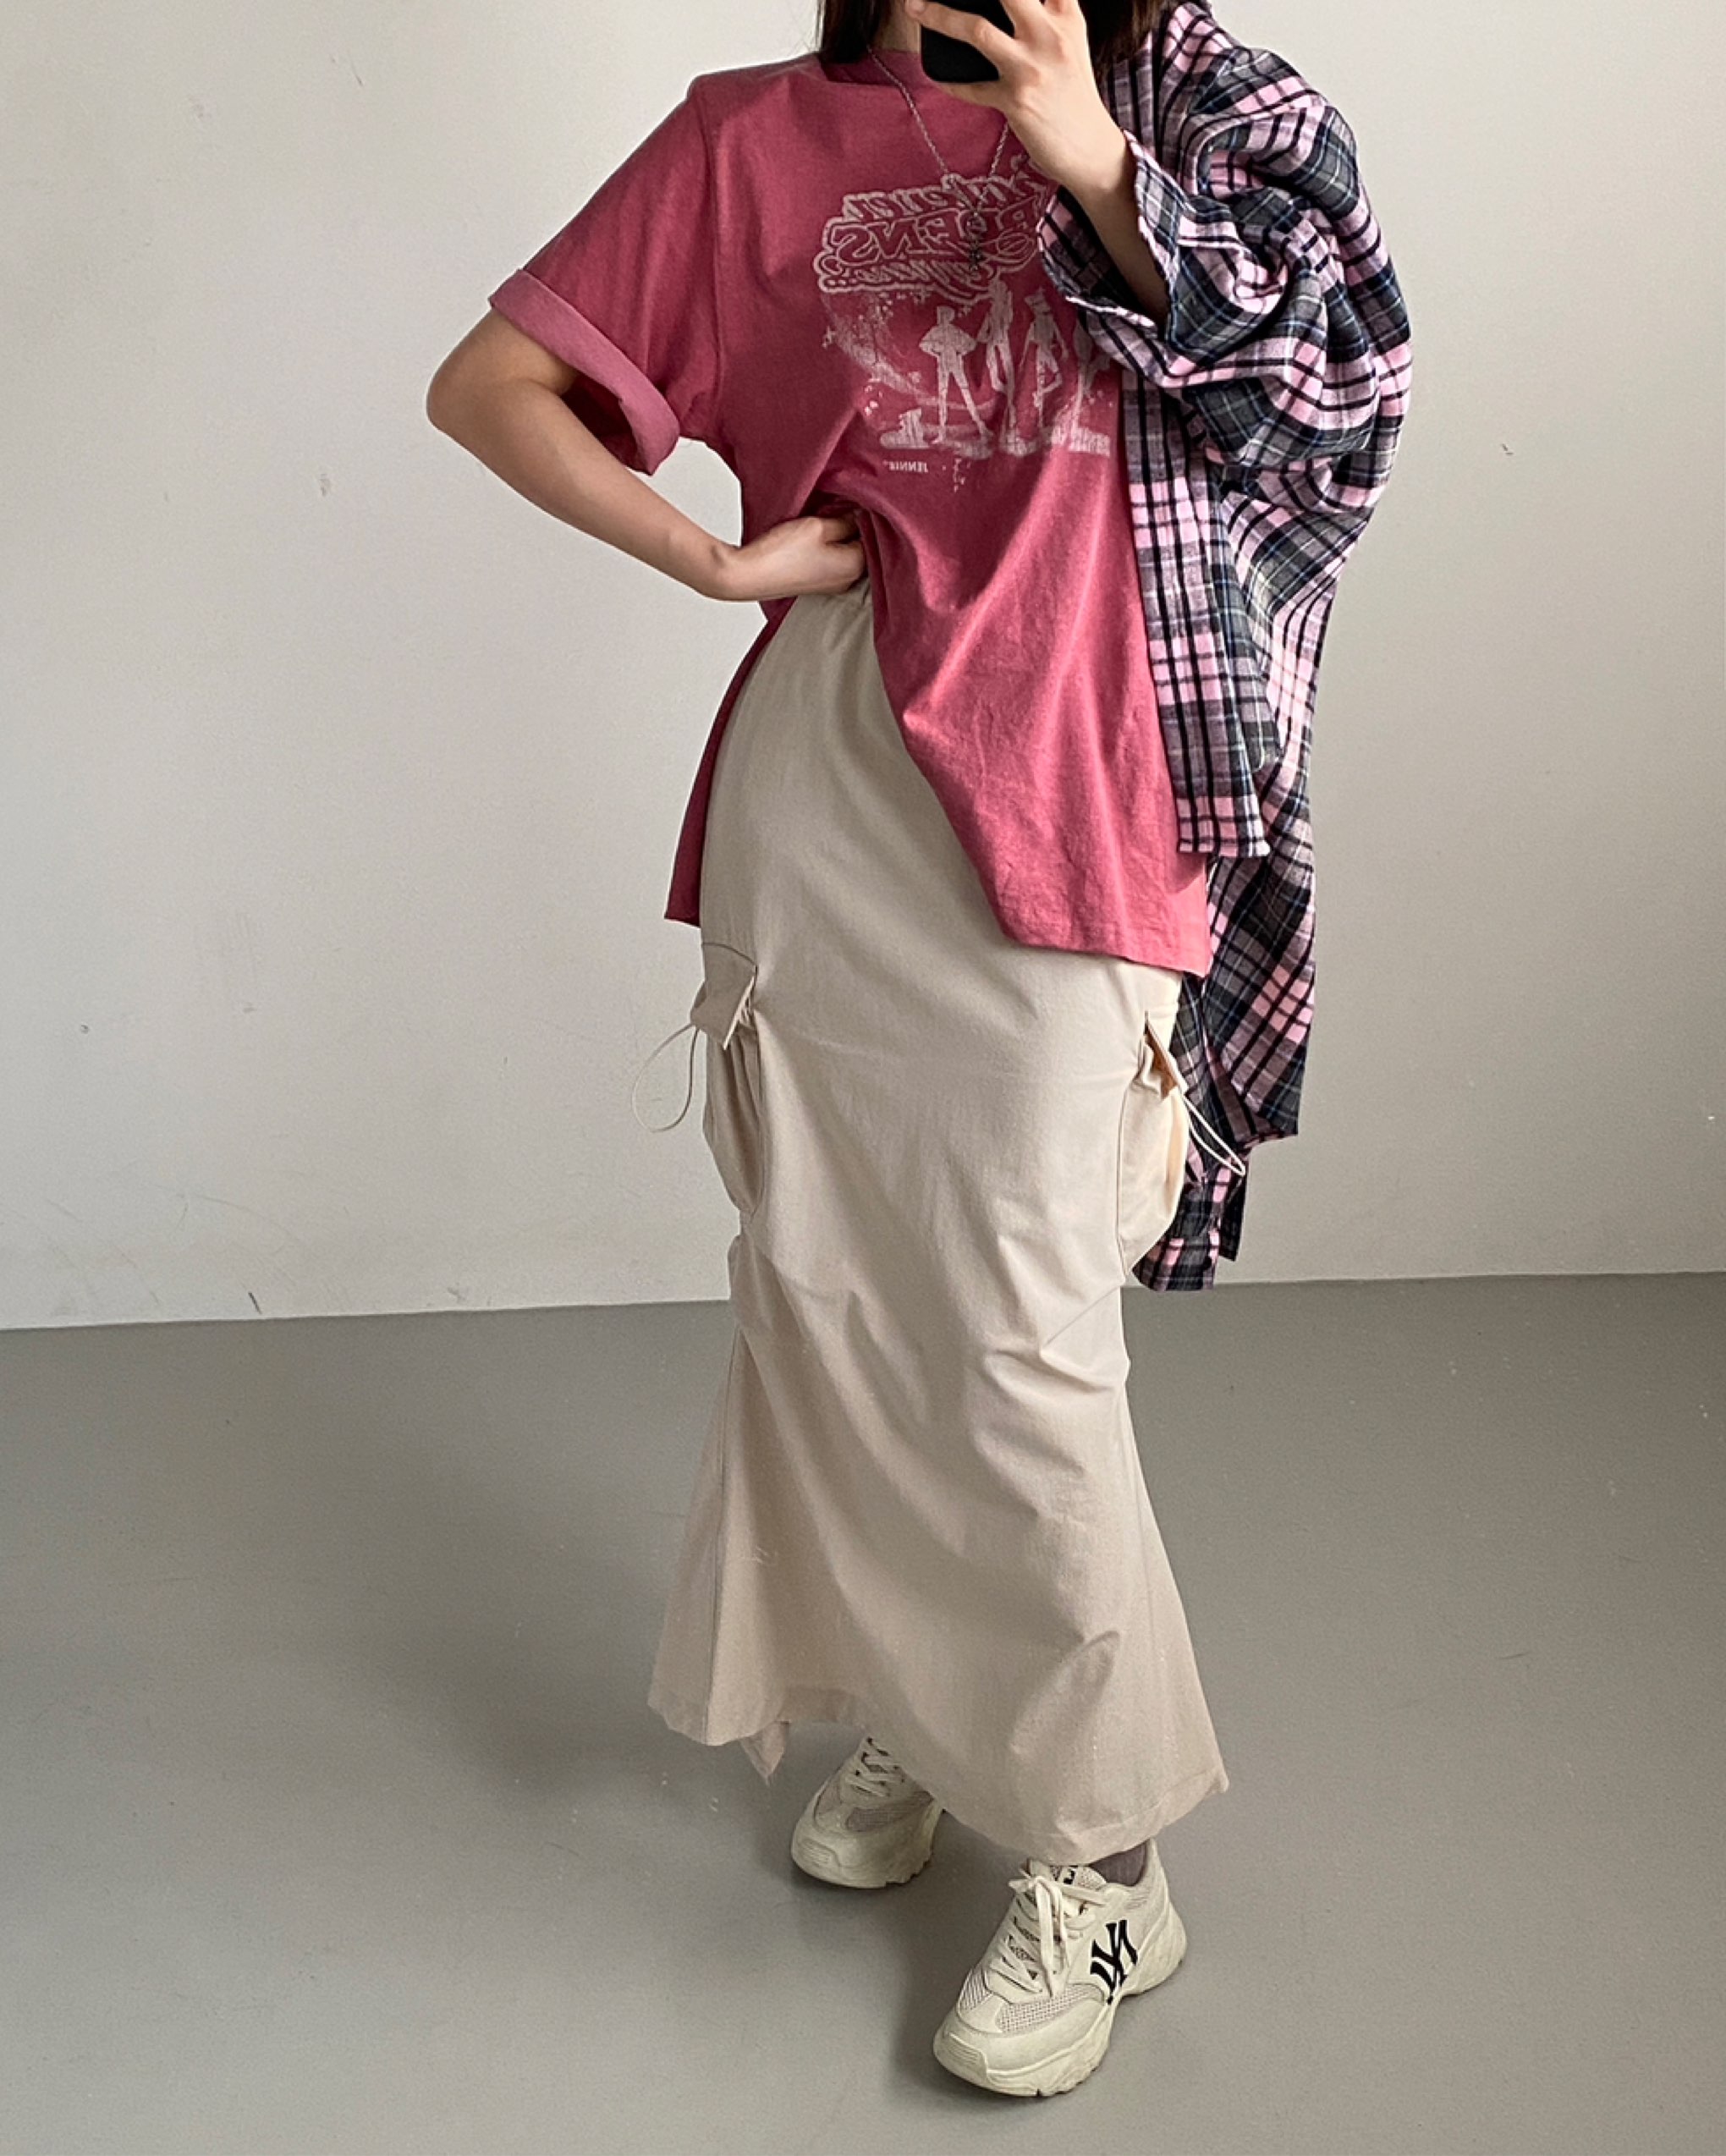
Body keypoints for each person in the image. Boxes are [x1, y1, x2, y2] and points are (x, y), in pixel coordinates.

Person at [426, 0, 1409, 2100]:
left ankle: (1108, 1862)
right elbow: (489, 384)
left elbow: (1340, 402)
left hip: (1089, 776)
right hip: (831, 785)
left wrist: (1096, 165)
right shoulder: (749, 138)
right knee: (831, 1285)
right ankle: (933, 1706)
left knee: (1022, 1330)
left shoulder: (1199, 111)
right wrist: (711, 557)